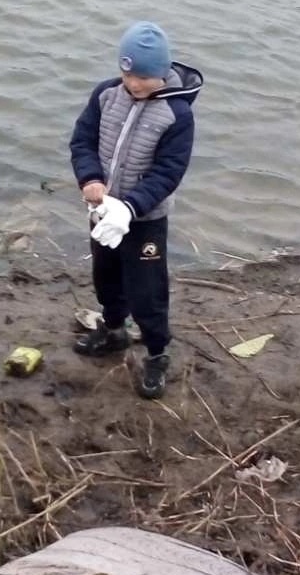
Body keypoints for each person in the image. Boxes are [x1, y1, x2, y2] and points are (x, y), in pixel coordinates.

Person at [69, 22, 203, 400]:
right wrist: (91, 180)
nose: (133, 83)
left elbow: (169, 173)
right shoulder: (106, 95)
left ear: (161, 72)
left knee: (147, 290)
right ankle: (113, 330)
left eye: (143, 76)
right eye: (127, 73)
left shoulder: (177, 115)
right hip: (102, 212)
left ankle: (157, 353)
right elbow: (82, 141)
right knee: (105, 273)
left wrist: (130, 206)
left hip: (145, 220)